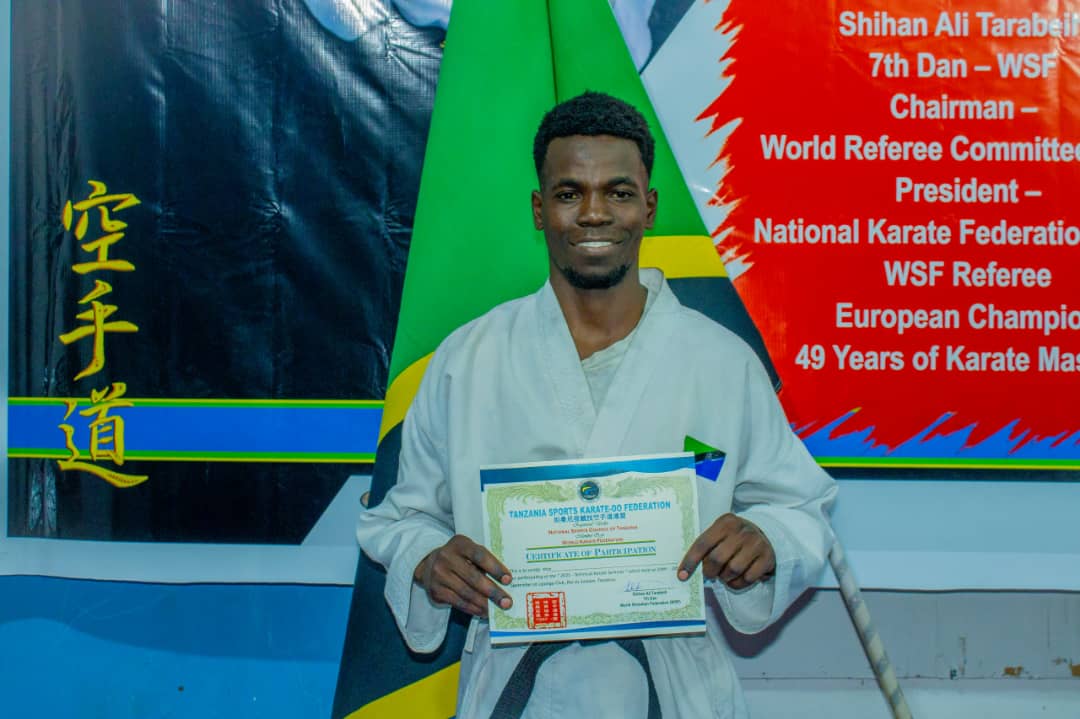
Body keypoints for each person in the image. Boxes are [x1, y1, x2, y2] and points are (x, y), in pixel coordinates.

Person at [357, 91, 837, 718]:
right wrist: (427, 559)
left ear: (649, 207)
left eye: (618, 192)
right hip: (516, 685)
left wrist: (766, 540)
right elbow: (400, 518)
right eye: (569, 193)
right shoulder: (466, 362)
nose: (593, 213)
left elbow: (800, 507)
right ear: (539, 209)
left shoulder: (722, 363)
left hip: (674, 686)